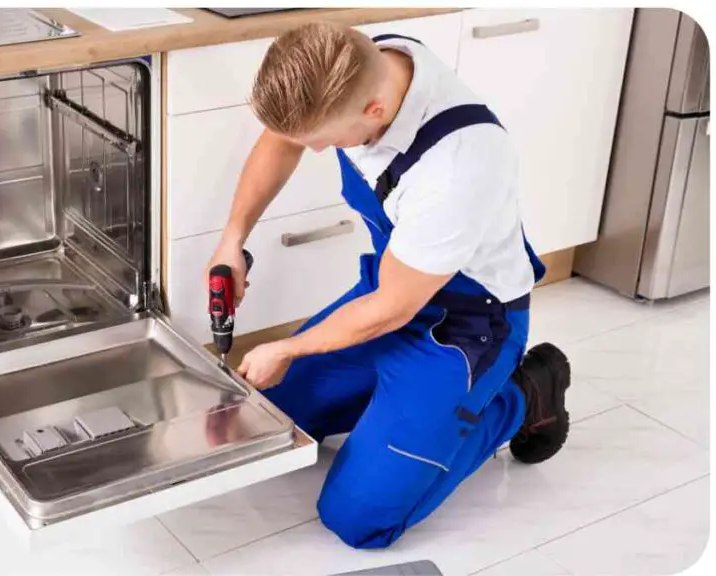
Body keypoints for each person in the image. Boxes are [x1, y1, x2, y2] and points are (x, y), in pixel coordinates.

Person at [204, 22, 572, 549]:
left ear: (373, 113)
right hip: (392, 288)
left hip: (466, 329)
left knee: (357, 519)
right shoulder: (357, 65)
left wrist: (291, 345)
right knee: (267, 422)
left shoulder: (458, 163)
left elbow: (393, 309)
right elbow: (283, 137)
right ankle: (402, 409)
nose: (313, 152)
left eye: (323, 142)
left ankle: (523, 396)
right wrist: (230, 241)